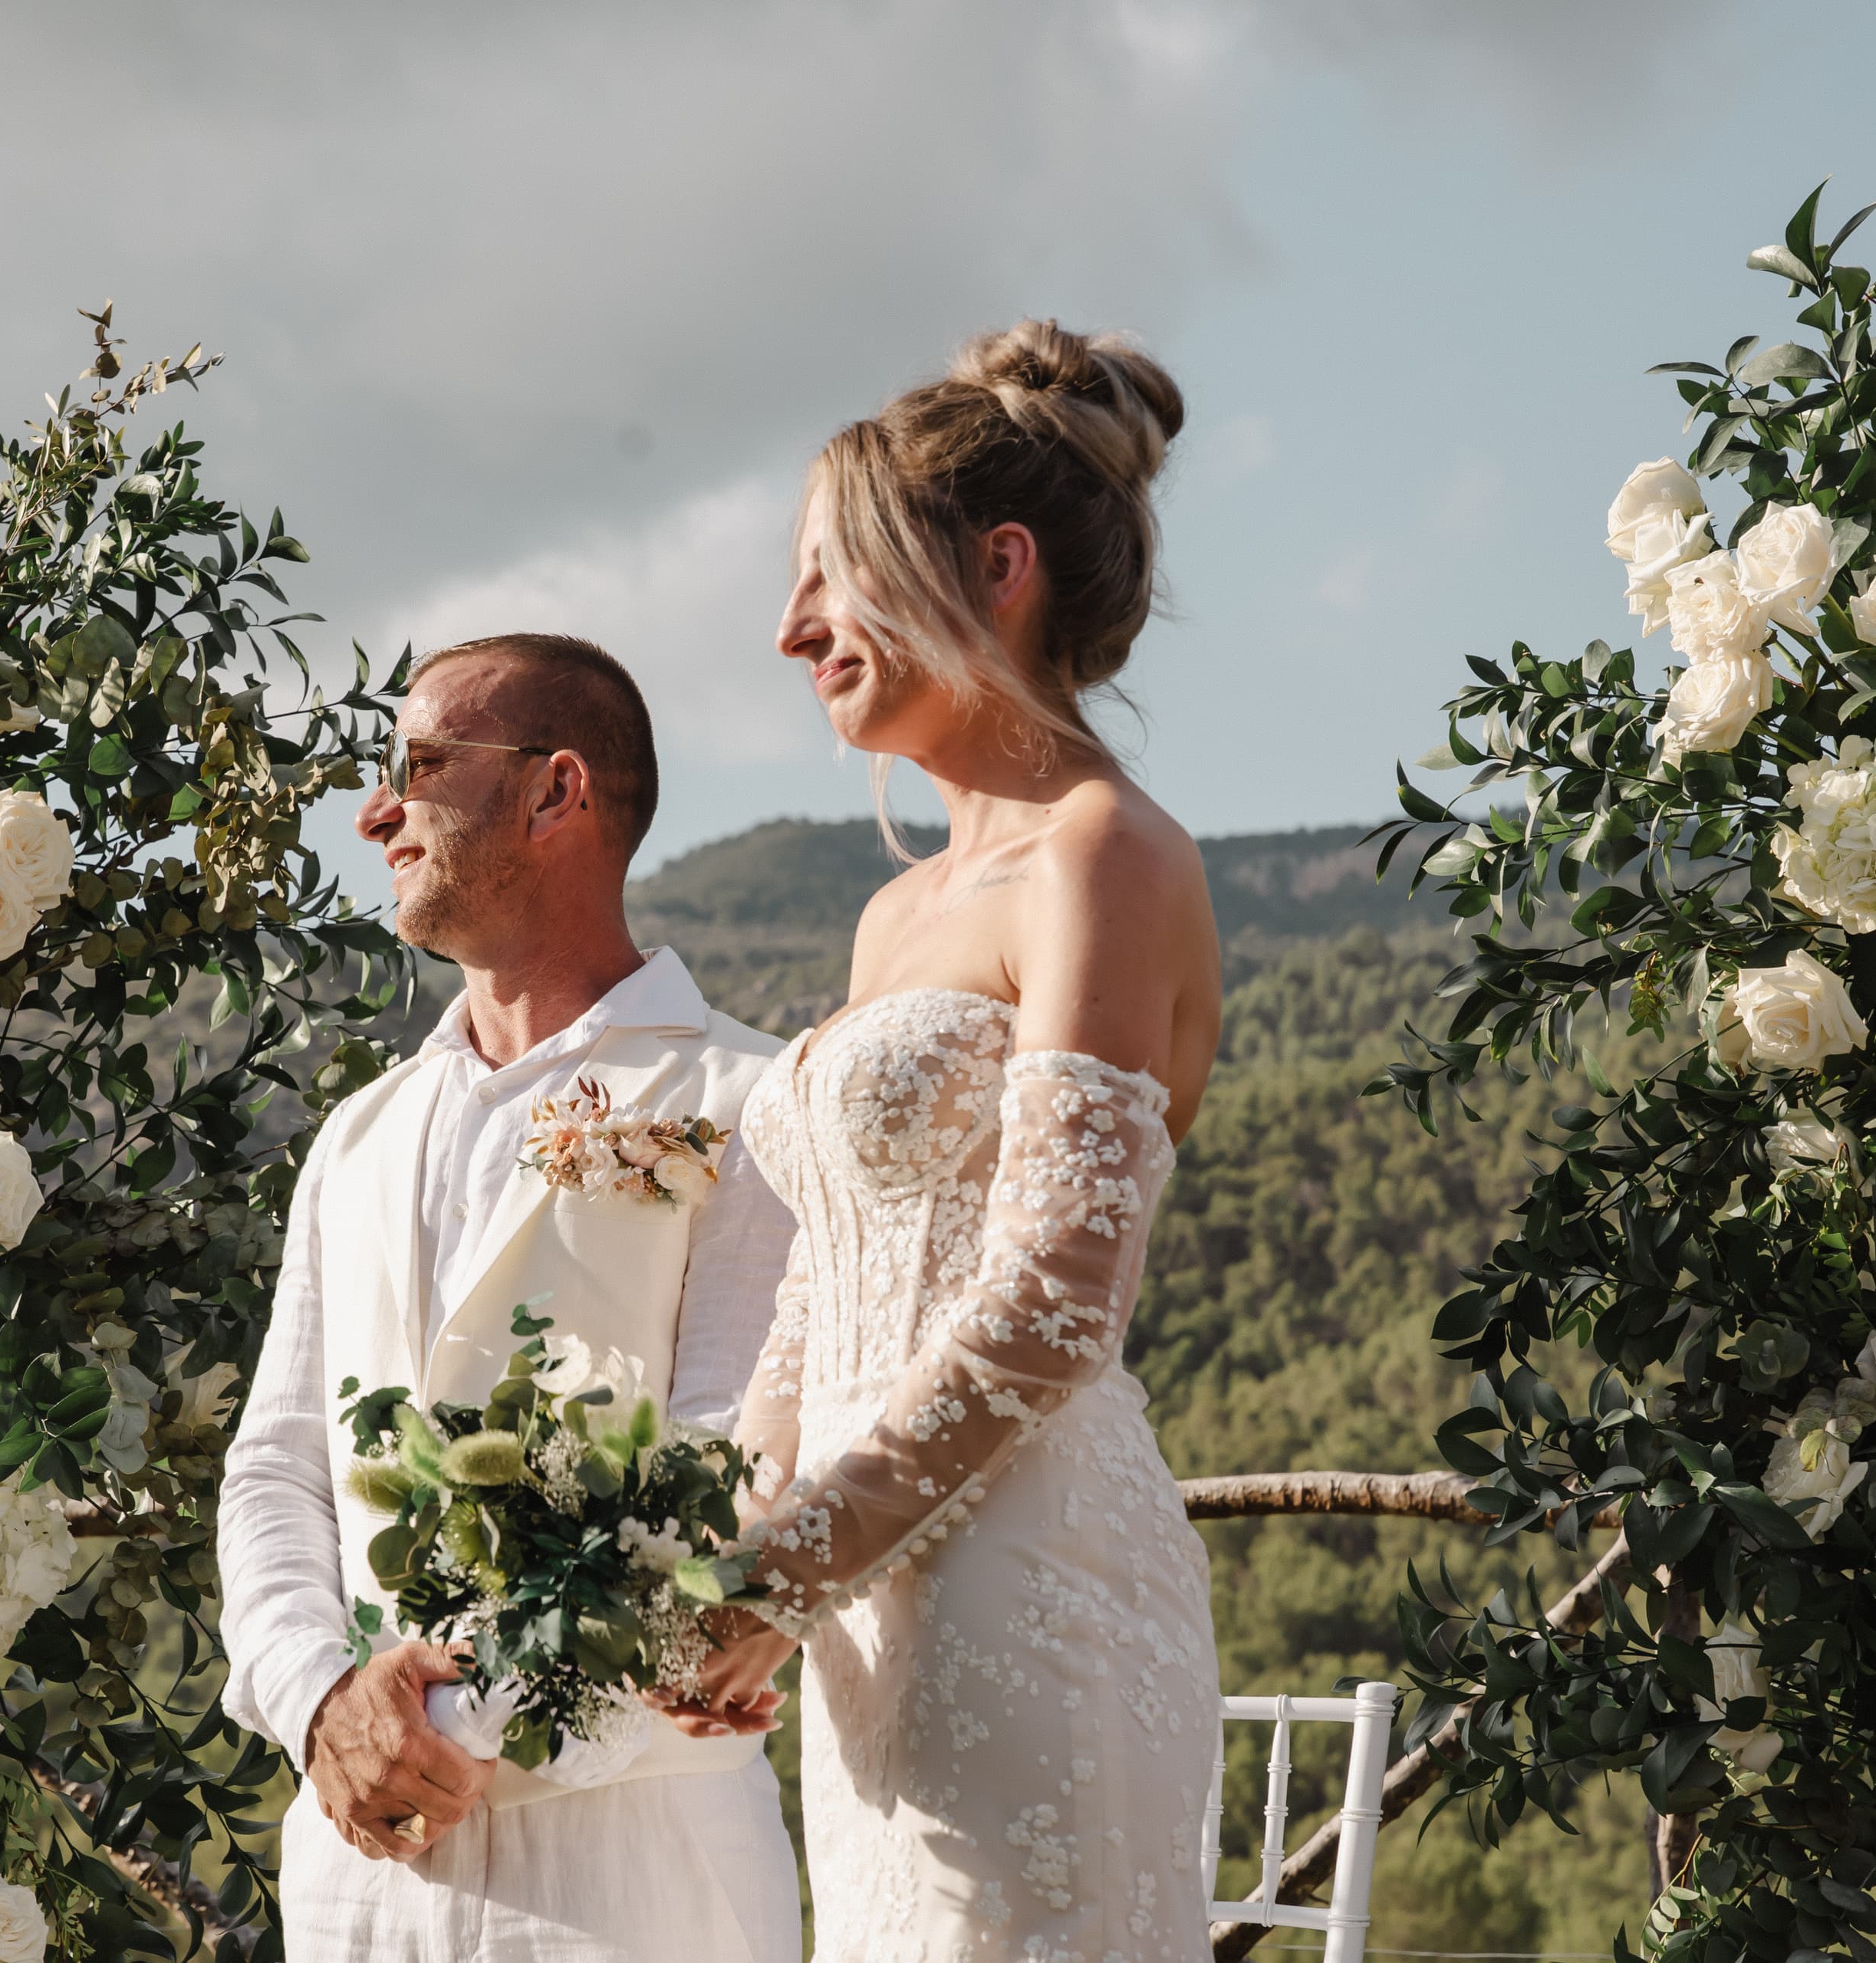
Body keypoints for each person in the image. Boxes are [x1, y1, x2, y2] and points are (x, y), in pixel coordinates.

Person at [664, 320, 1226, 1961]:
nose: (789, 630)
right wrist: (733, 1531)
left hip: (1027, 1581)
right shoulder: (894, 912)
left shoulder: (1104, 852)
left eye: (829, 577)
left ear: (998, 565)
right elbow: (826, 1277)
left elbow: (1057, 1293)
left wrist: (793, 1562)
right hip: (851, 1612)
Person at [216, 633, 805, 1963]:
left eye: (418, 767)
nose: (375, 811)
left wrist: (454, 1737)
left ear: (556, 793)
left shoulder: (753, 1102)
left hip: (634, 1878)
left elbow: (741, 1477)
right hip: (359, 1876)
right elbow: (276, 1471)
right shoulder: (355, 1135)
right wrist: (324, 1707)